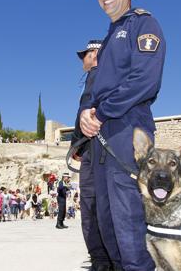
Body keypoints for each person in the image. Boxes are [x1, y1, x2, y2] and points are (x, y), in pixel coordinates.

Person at [80, 0, 165, 271]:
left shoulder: (143, 24)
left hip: (128, 128)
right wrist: (86, 115)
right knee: (106, 219)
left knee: (127, 218)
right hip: (102, 135)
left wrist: (100, 112)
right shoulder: (108, 36)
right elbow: (96, 93)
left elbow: (144, 80)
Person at [70, 38, 112, 269]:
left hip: (94, 150)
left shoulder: (96, 75)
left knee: (91, 206)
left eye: (84, 54)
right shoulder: (111, 76)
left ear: (94, 54)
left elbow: (85, 111)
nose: (82, 60)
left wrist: (77, 144)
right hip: (104, 149)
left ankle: (101, 261)